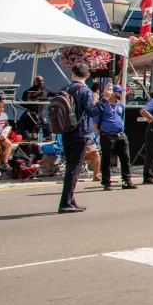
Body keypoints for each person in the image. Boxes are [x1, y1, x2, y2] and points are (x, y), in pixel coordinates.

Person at [57, 63, 96, 213]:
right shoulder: (85, 91)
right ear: (87, 76)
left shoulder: (65, 89)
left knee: (70, 167)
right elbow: (91, 112)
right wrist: (101, 101)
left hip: (66, 132)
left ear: (72, 74)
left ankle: (70, 200)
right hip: (80, 132)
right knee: (74, 169)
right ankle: (65, 203)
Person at [92, 84, 133, 189]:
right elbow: (96, 122)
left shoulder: (120, 105)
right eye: (119, 92)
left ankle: (126, 180)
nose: (121, 94)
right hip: (107, 134)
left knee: (126, 158)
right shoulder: (102, 105)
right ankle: (106, 182)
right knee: (106, 159)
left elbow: (121, 118)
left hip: (120, 134)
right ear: (113, 92)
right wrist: (100, 133)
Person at [20, 75, 50, 139]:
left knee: (43, 120)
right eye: (39, 81)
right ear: (35, 82)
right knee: (23, 119)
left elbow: (52, 94)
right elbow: (23, 102)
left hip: (41, 112)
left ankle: (47, 135)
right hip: (32, 111)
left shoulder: (45, 90)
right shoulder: (28, 91)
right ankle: (24, 135)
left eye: (42, 81)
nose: (41, 82)